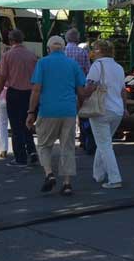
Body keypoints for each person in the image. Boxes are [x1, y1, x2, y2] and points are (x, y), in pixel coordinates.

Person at [27, 35, 87, 196]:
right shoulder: (73, 64)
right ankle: (67, 183)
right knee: (67, 147)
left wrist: (31, 112)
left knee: (44, 145)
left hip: (47, 110)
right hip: (68, 110)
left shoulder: (42, 63)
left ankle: (49, 173)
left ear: (48, 49)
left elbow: (36, 89)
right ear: (63, 48)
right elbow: (81, 91)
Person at [83, 40, 125, 189]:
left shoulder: (97, 65)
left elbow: (90, 87)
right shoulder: (119, 67)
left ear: (100, 50)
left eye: (94, 49)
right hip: (117, 110)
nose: (92, 52)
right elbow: (122, 91)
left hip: (101, 110)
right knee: (104, 143)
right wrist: (124, 108)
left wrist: (80, 99)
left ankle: (114, 178)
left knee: (104, 145)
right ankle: (98, 174)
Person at [0, 29, 39, 166]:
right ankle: (32, 150)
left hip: (14, 92)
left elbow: (1, 78)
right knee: (28, 123)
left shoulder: (7, 56)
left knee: (16, 126)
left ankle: (20, 157)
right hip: (30, 93)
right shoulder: (32, 56)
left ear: (10, 40)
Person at [64, 28, 95, 153]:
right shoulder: (82, 52)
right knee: (82, 113)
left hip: (65, 87)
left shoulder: (62, 52)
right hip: (80, 86)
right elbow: (88, 70)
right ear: (77, 39)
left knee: (68, 114)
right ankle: (83, 138)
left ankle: (68, 138)